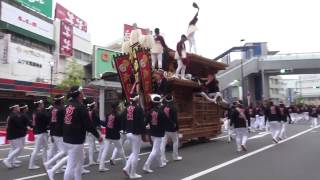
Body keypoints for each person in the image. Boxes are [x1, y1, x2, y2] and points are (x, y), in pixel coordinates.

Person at [63, 86, 102, 180]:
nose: (83, 93)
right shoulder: (80, 107)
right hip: (75, 140)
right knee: (71, 165)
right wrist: (98, 135)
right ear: (79, 94)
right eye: (82, 91)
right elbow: (88, 125)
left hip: (68, 137)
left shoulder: (69, 105)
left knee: (79, 163)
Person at [122, 94, 145, 179]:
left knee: (134, 152)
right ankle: (132, 173)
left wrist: (124, 129)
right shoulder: (138, 109)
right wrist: (144, 132)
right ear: (137, 99)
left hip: (128, 132)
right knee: (136, 153)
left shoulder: (127, 108)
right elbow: (141, 122)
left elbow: (123, 119)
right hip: (135, 133)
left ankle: (127, 167)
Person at [99, 102, 126, 172]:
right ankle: (126, 164)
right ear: (117, 107)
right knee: (120, 149)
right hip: (115, 136)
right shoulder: (118, 115)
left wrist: (99, 121)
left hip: (108, 135)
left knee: (105, 150)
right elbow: (120, 127)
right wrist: (122, 130)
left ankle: (101, 166)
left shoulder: (108, 115)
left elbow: (105, 124)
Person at [143, 94, 166, 173]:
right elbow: (164, 122)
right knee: (155, 150)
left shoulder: (149, 112)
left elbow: (145, 122)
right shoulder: (161, 112)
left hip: (152, 133)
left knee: (157, 149)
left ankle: (160, 163)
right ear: (159, 103)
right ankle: (146, 165)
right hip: (159, 133)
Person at [44, 95, 66, 172]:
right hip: (60, 132)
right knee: (62, 151)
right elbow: (65, 122)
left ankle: (49, 165)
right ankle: (56, 166)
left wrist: (52, 134)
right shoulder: (62, 109)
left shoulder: (52, 109)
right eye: (63, 99)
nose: (64, 100)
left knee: (53, 150)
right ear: (60, 100)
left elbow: (51, 123)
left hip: (53, 131)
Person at [160, 94, 182, 165]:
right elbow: (175, 119)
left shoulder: (162, 107)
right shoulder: (173, 108)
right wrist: (177, 128)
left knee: (163, 143)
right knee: (175, 141)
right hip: (172, 128)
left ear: (165, 99)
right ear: (172, 99)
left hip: (164, 128)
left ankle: (163, 159)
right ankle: (175, 156)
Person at [29, 100, 50, 170]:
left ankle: (45, 162)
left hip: (39, 132)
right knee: (37, 149)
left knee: (45, 148)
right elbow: (48, 120)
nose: (43, 104)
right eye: (42, 103)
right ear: (39, 104)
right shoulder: (41, 113)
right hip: (41, 132)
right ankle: (31, 165)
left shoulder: (35, 112)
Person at [85, 99, 101, 166]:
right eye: (95, 105)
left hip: (89, 131)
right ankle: (99, 159)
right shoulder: (94, 112)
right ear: (93, 106)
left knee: (90, 146)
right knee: (103, 144)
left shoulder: (87, 112)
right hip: (94, 130)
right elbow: (98, 121)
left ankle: (91, 161)